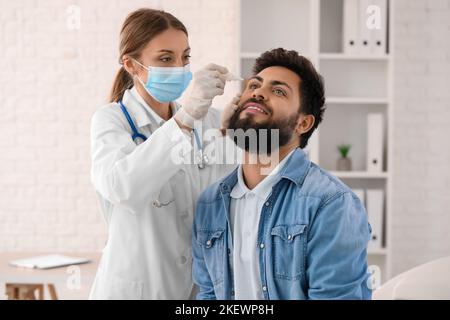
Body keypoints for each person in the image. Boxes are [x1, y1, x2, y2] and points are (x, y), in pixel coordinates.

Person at [192, 48, 372, 300]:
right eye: (253, 85)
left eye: (278, 91)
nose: (257, 92)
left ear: (303, 123)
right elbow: (209, 295)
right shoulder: (210, 203)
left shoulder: (331, 203)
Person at [89, 8, 236, 299]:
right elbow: (123, 188)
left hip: (194, 291)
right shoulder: (111, 121)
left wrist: (240, 125)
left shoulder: (206, 122)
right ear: (131, 65)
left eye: (185, 57)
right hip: (135, 290)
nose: (180, 68)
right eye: (166, 58)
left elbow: (240, 185)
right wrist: (183, 121)